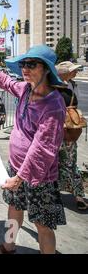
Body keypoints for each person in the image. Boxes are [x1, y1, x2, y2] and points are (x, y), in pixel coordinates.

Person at [0, 45, 66, 254]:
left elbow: (42, 149)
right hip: (16, 168)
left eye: (31, 64)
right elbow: (7, 82)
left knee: (43, 225)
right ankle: (7, 247)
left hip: (39, 176)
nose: (25, 68)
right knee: (13, 209)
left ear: (46, 69)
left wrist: (19, 178)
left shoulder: (53, 104)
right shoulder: (25, 90)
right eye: (23, 64)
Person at [55, 62, 87, 211]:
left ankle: (78, 196)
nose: (75, 73)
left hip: (63, 131)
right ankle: (75, 196)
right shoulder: (54, 86)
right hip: (58, 132)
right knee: (60, 165)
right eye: (72, 71)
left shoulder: (72, 86)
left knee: (69, 164)